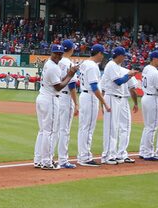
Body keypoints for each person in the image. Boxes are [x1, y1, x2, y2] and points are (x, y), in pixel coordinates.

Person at [34, 44, 78, 170]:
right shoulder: (53, 67)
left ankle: (38, 159)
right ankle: (47, 162)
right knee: (50, 131)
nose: (58, 55)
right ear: (51, 53)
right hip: (50, 99)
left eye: (60, 53)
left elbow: (59, 81)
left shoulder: (49, 64)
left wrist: (69, 74)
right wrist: (70, 74)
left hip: (42, 97)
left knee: (43, 131)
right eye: (56, 53)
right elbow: (58, 87)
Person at [101, 46, 138, 165]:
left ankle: (113, 154)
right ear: (119, 55)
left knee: (115, 127)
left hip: (116, 98)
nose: (125, 57)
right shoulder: (111, 65)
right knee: (111, 128)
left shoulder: (116, 66)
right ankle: (107, 156)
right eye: (124, 55)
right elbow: (118, 82)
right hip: (111, 96)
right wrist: (130, 75)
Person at [76, 44, 110, 166]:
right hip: (90, 97)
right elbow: (94, 87)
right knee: (88, 128)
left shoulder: (85, 63)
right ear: (99, 53)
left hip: (86, 95)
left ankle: (82, 155)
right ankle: (85, 157)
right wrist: (104, 102)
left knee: (84, 127)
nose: (103, 56)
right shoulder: (92, 66)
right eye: (103, 54)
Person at [55, 39, 79, 169]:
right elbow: (72, 85)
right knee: (64, 130)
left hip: (56, 97)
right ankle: (63, 160)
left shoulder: (56, 61)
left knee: (55, 129)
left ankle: (48, 158)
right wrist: (77, 104)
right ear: (71, 49)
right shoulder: (68, 63)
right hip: (65, 98)